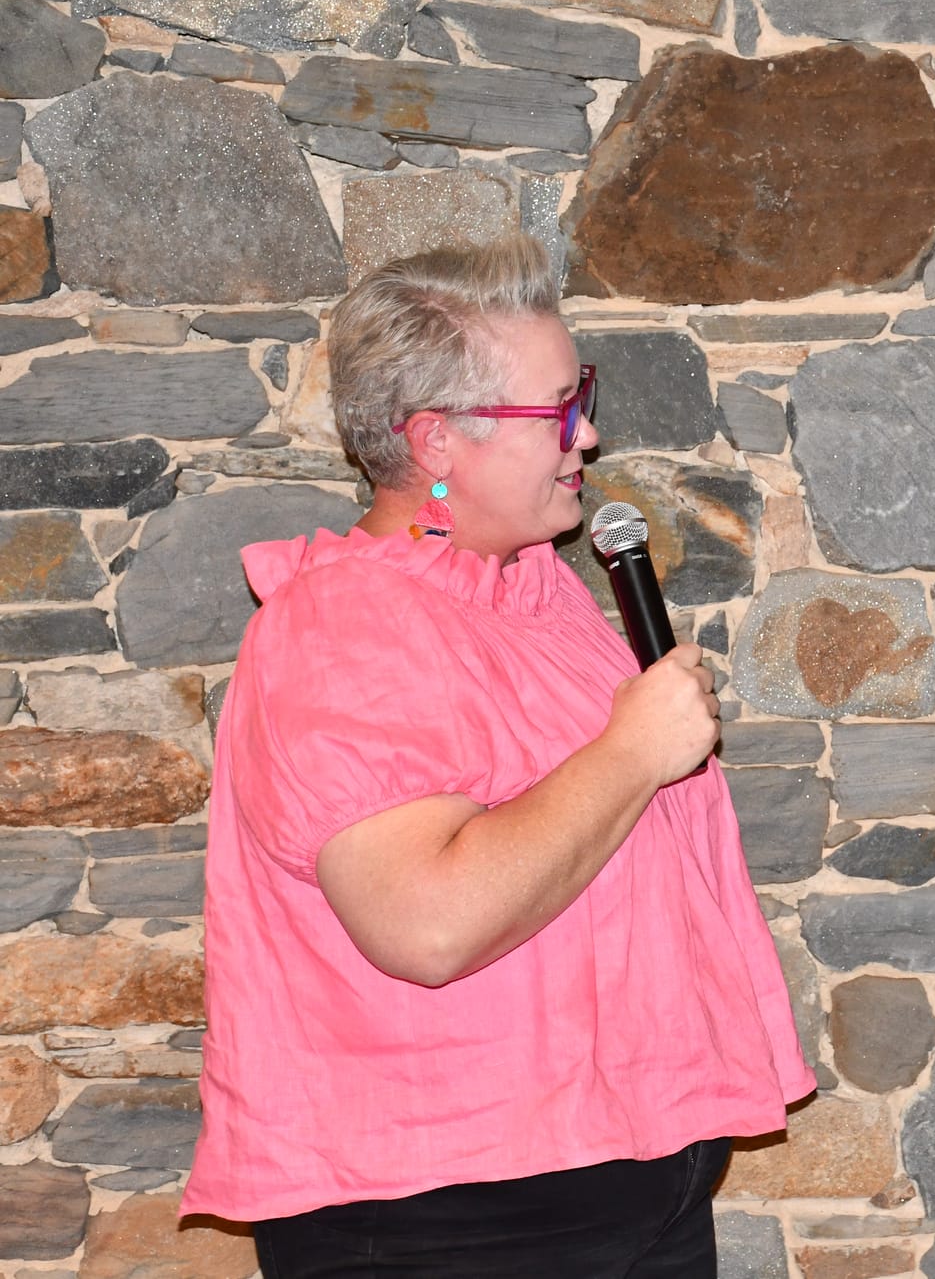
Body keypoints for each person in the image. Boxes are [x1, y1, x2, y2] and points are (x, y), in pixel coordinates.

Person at [183, 235, 814, 1276]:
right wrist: (629, 752)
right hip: (456, 1220)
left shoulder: (541, 586)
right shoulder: (339, 629)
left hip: (629, 1179)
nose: (589, 432)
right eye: (558, 409)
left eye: (583, 394)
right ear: (434, 441)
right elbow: (425, 924)